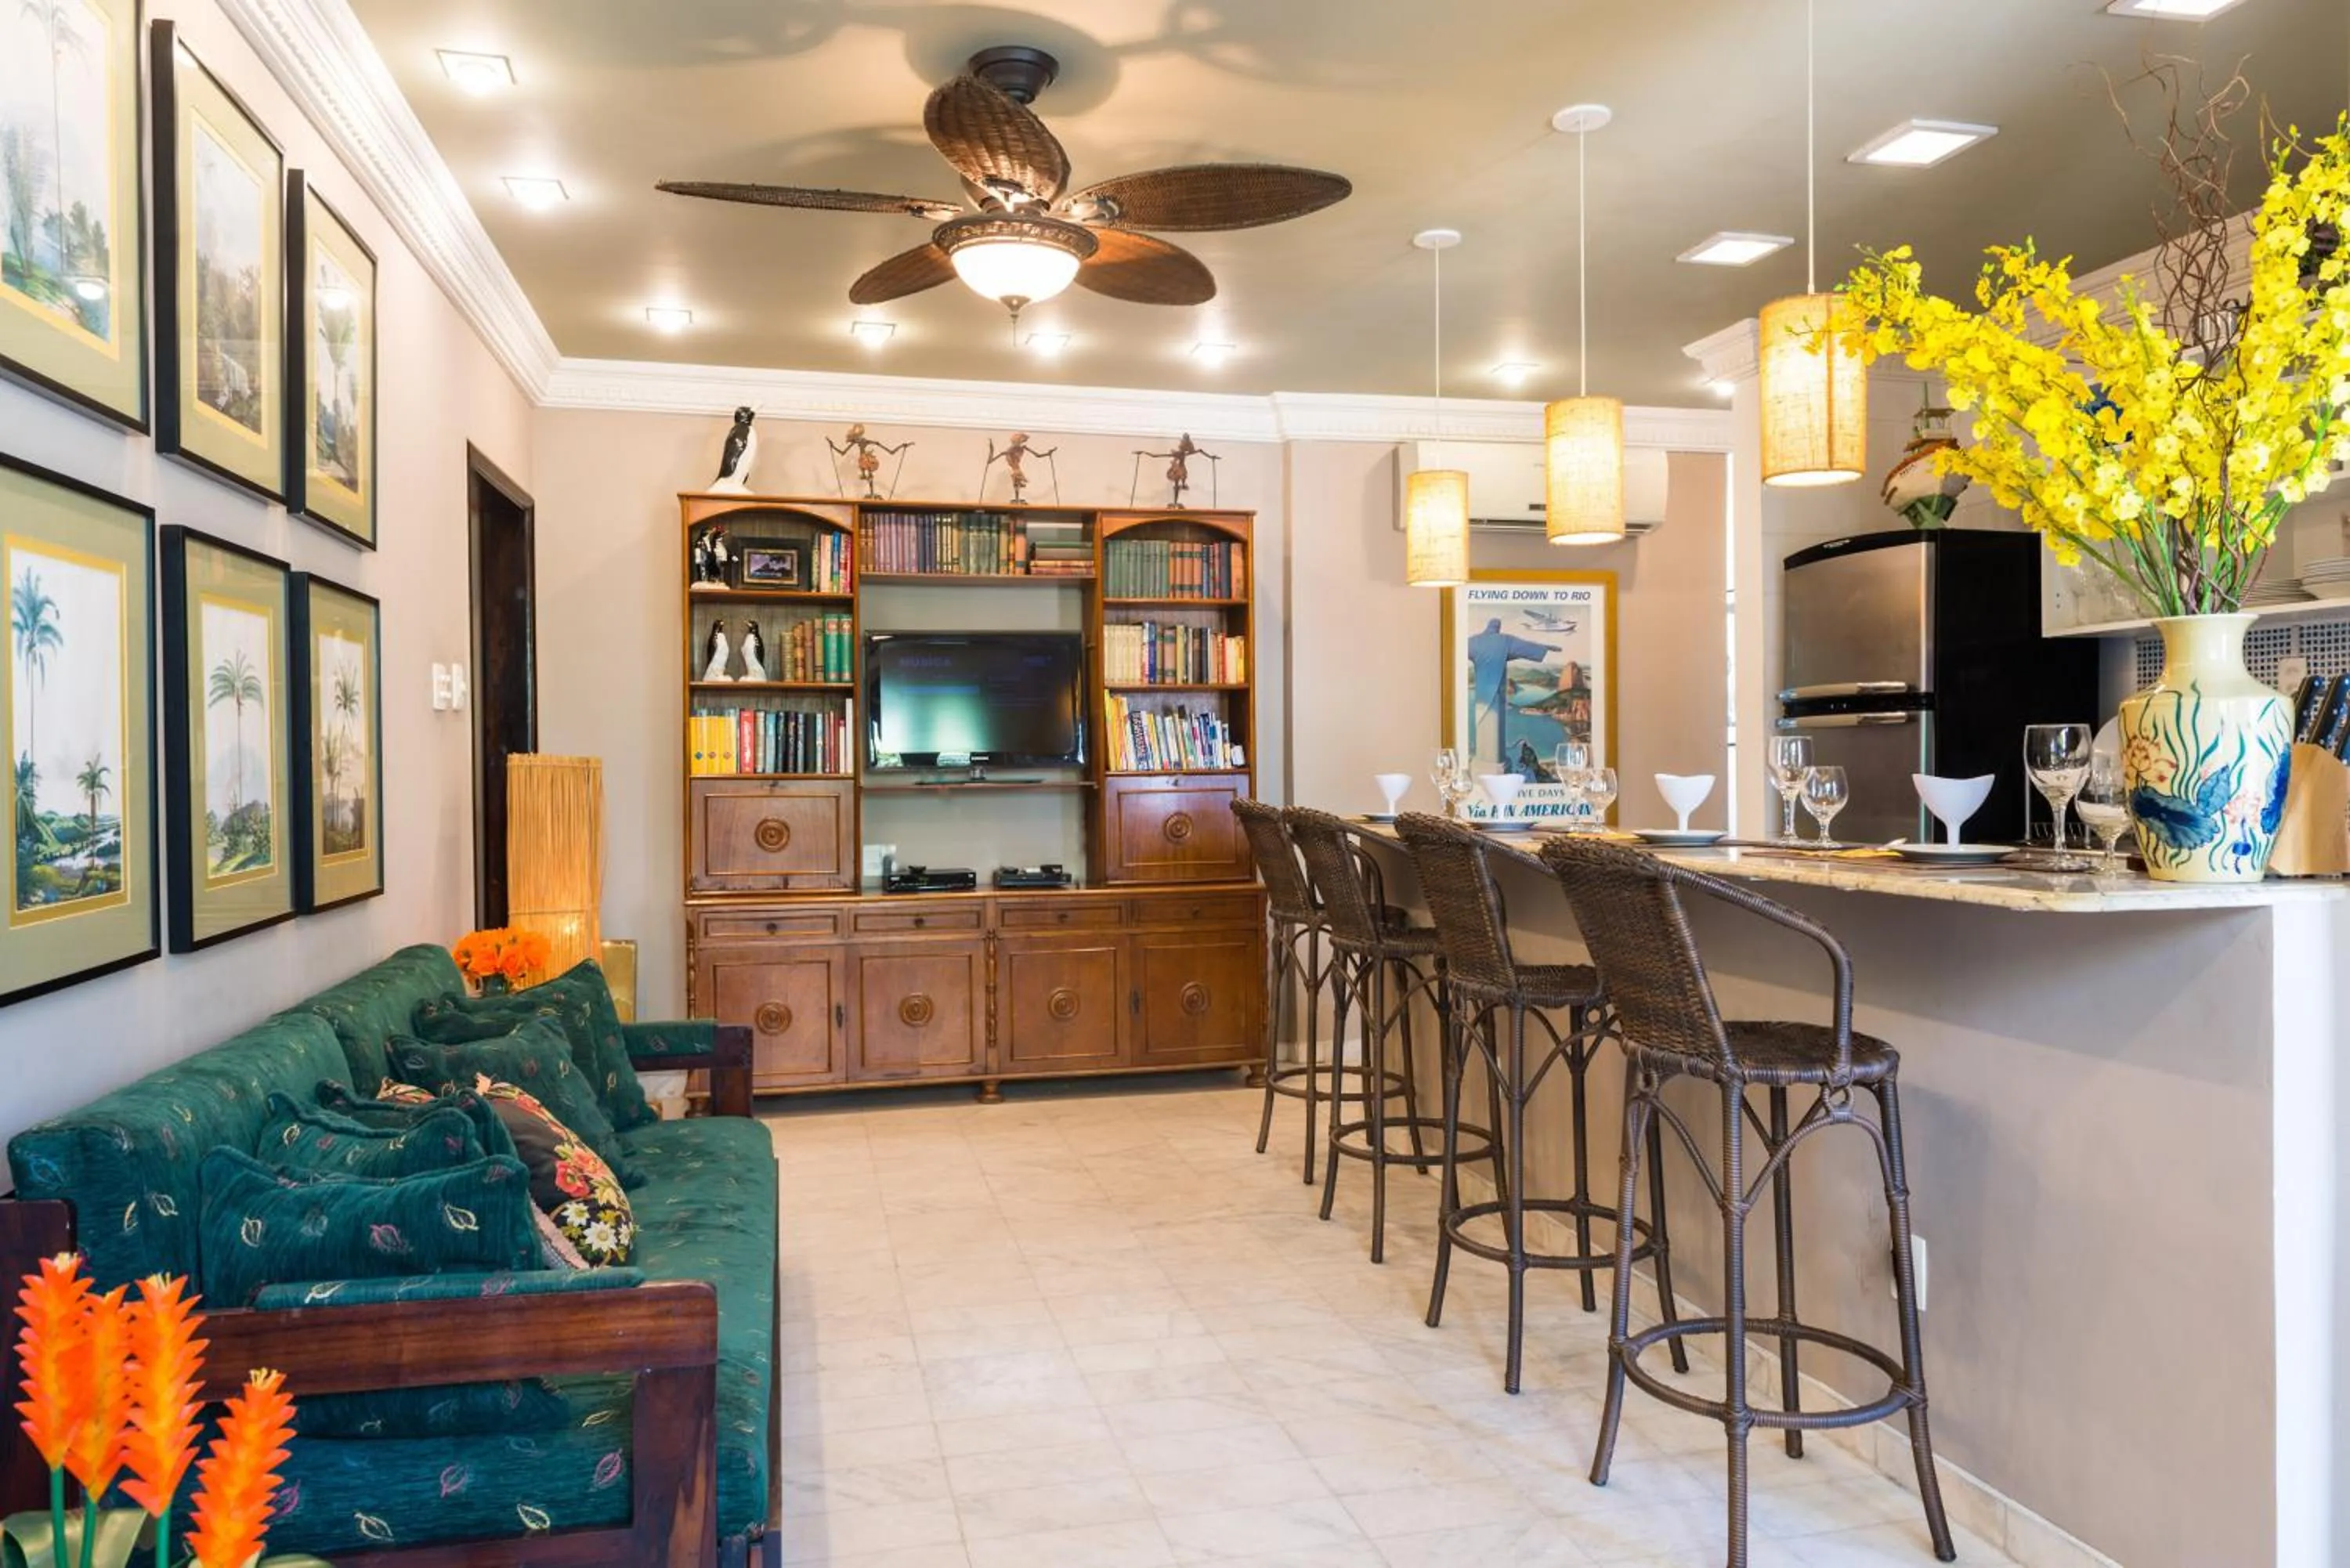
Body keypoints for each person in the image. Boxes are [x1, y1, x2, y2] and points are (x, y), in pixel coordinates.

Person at [1465, 617, 1559, 768]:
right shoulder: (1505, 640)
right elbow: (1524, 647)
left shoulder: (1472, 642)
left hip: (1481, 693)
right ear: (1498, 628)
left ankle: (1485, 761)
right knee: (1495, 726)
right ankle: (1494, 763)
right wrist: (1545, 648)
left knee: (1484, 724)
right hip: (1497, 693)